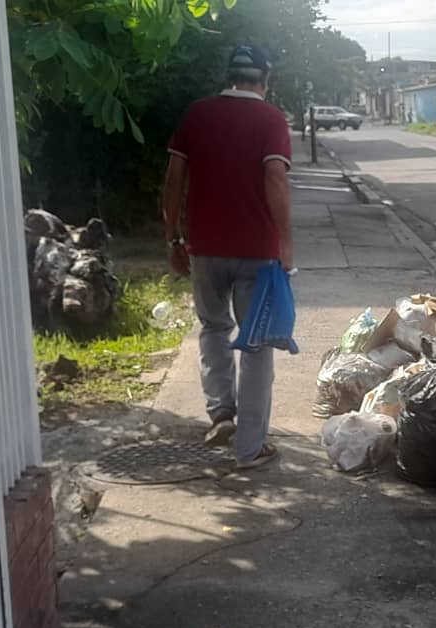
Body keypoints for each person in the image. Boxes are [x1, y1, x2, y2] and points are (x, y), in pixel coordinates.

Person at [162, 45, 293, 470]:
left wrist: (173, 238)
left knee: (213, 328)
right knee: (255, 345)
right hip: (257, 251)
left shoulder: (197, 114)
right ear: (264, 80)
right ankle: (250, 447)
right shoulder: (271, 119)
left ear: (229, 76)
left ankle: (221, 413)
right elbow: (275, 177)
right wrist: (286, 240)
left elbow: (174, 178)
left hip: (205, 248)